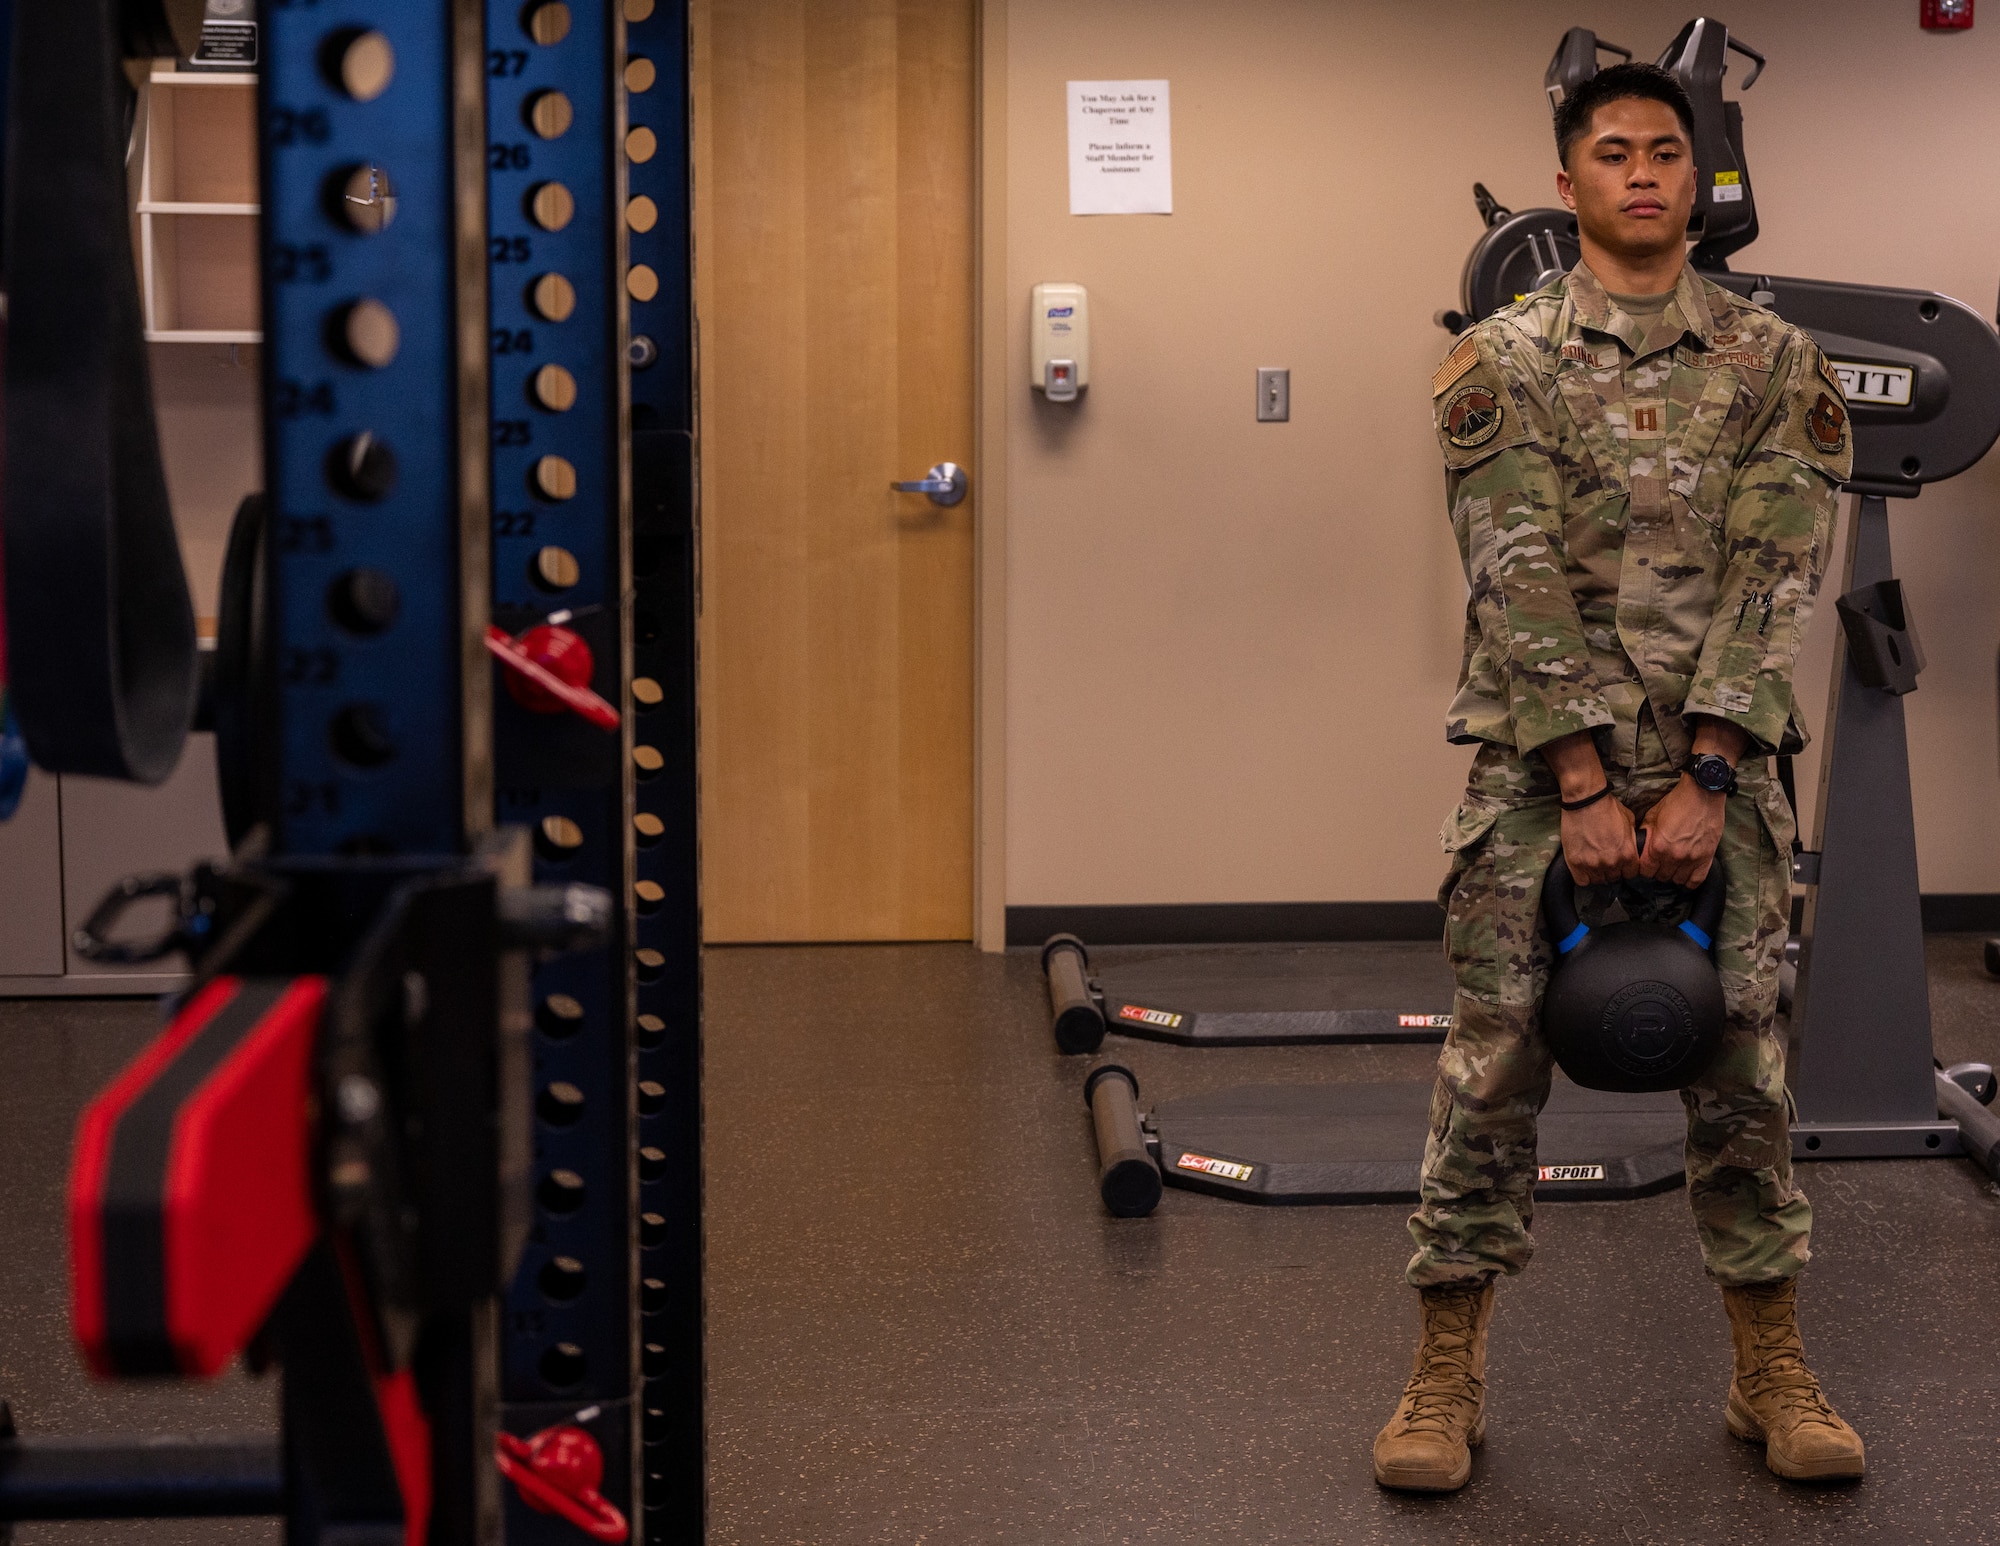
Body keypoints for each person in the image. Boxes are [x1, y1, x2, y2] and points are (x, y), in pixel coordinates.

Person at [1374, 62, 1863, 1493]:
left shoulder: (1776, 360)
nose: (1643, 174)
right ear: (1570, 180)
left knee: (1748, 1079)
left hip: (1726, 773)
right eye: (1614, 153)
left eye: (1668, 152)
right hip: (1542, 779)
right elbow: (1512, 571)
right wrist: (1586, 780)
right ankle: (1442, 1373)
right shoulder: (1504, 357)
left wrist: (1709, 767)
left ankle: (1770, 1363)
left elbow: (1783, 568)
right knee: (1490, 1072)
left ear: (1700, 181)